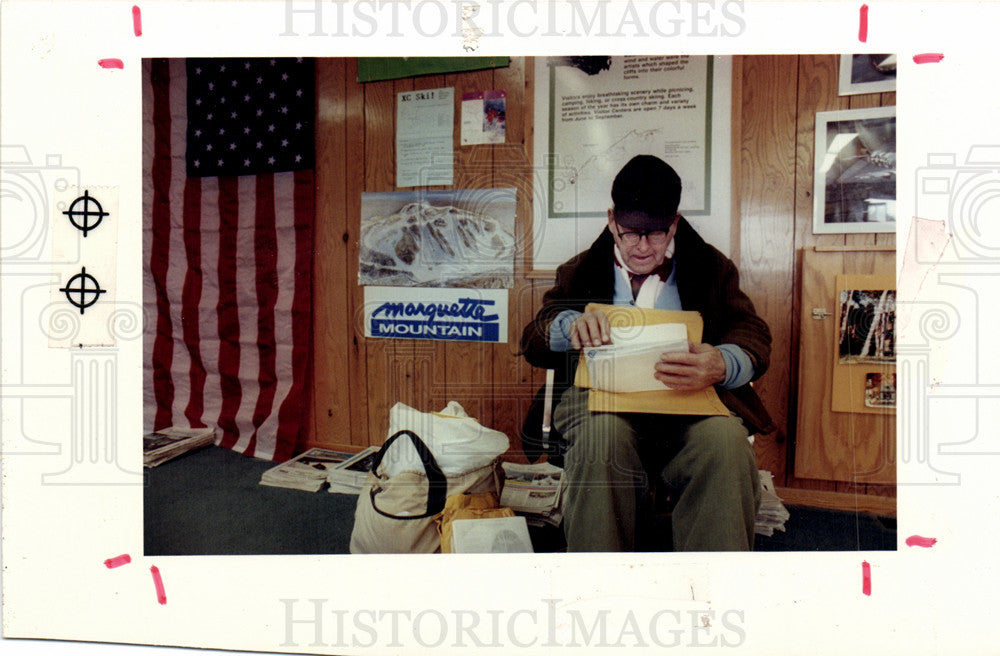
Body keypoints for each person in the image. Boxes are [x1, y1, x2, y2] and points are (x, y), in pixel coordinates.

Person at [520, 155, 775, 552]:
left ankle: (714, 593)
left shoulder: (709, 266)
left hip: (688, 403)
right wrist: (567, 325)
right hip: (600, 403)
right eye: (629, 233)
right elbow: (533, 337)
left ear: (674, 224)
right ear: (611, 221)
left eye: (656, 234)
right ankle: (598, 590)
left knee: (726, 443)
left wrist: (723, 361)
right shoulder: (580, 269)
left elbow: (751, 330)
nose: (642, 247)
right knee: (603, 440)